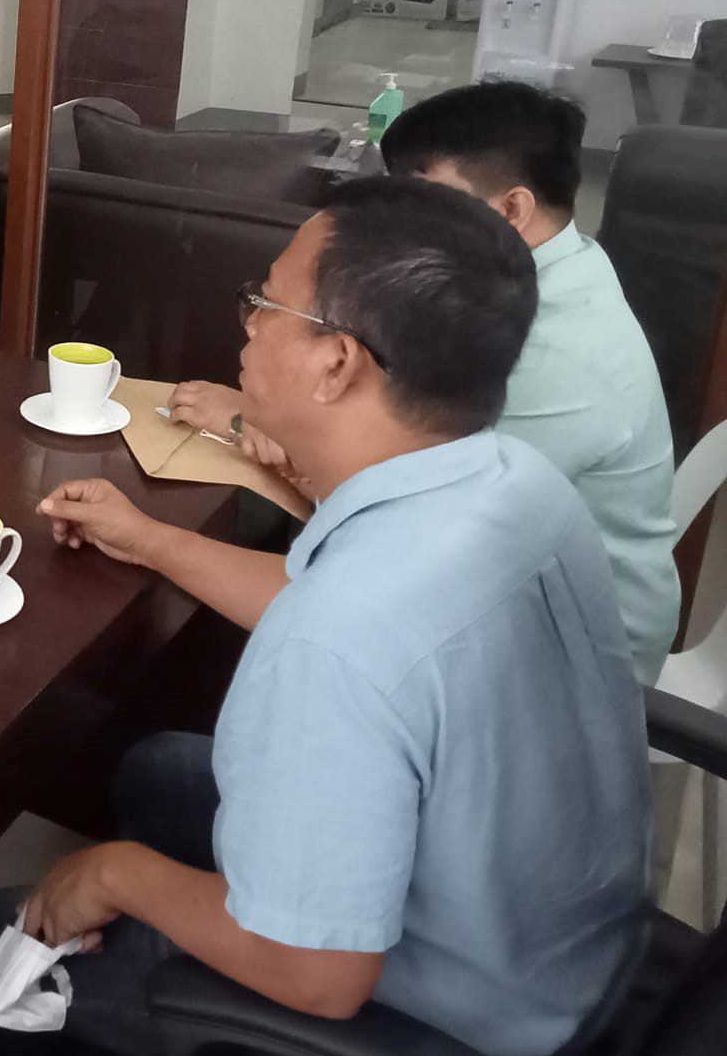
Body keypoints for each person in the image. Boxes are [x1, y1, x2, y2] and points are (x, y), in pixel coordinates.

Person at [0, 177, 648, 1056]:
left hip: (465, 1016)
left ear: (337, 361)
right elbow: (351, 621)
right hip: (563, 931)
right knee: (157, 771)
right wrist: (150, 540)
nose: (248, 324)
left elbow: (320, 974)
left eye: (265, 302)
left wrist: (119, 876)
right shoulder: (511, 480)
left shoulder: (343, 641)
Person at [172, 80, 679, 682]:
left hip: (556, 660)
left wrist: (248, 420)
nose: (402, 224)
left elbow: (388, 521)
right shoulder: (544, 274)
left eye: (427, 201)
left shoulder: (542, 351)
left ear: (512, 209)